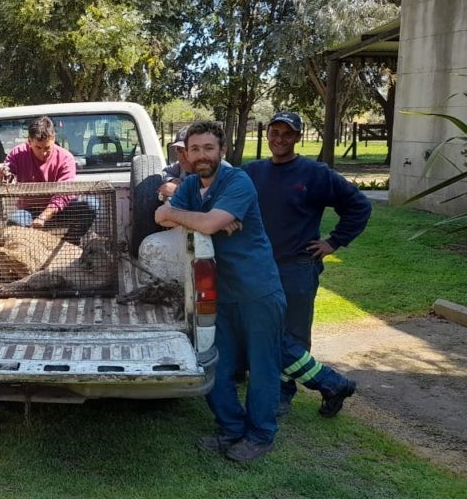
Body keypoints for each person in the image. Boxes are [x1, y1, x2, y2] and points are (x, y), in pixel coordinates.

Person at [154, 120, 284, 463]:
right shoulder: (193, 185)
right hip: (217, 293)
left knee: (262, 365)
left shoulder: (237, 181)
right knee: (216, 362)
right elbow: (160, 216)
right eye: (194, 149)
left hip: (256, 289)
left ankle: (260, 436)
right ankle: (230, 428)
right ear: (186, 153)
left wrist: (191, 216)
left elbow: (198, 222)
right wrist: (200, 216)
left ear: (221, 151)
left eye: (208, 148)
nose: (201, 156)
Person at [244, 111, 371, 417]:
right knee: (263, 330)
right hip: (260, 267)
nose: (279, 139)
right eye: (274, 132)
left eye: (287, 134)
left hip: (298, 267)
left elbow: (359, 206)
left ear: (298, 137)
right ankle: (332, 384)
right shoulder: (252, 172)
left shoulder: (315, 174)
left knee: (294, 333)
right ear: (267, 135)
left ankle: (284, 393)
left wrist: (333, 242)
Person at [0, 116, 97, 244]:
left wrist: (43, 217)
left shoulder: (65, 158)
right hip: (30, 210)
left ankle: (69, 242)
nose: (43, 153)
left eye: (47, 148)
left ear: (54, 139)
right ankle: (30, 250)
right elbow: (8, 173)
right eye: (38, 148)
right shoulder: (17, 153)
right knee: (15, 222)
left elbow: (63, 194)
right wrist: (0, 172)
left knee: (91, 204)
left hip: (61, 210)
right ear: (29, 141)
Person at [159, 125, 231, 200]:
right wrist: (172, 180)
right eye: (180, 151)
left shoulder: (223, 170)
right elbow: (165, 172)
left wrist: (178, 190)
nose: (183, 156)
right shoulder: (180, 166)